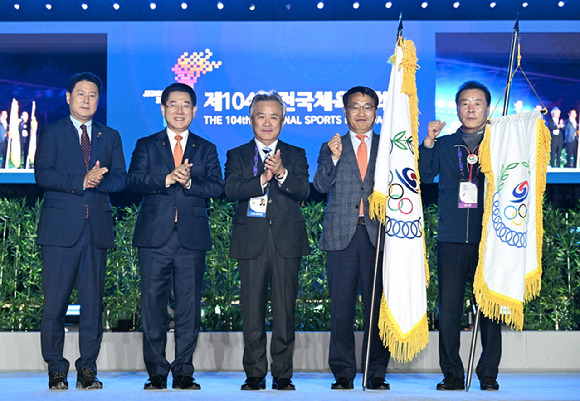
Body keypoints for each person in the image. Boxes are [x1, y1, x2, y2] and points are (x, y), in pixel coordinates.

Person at [127, 83, 224, 390]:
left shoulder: (205, 148)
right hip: (154, 239)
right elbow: (134, 180)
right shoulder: (147, 144)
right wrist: (167, 178)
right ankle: (156, 371)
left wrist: (189, 181)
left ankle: (183, 370)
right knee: (153, 308)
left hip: (191, 240)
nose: (179, 111)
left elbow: (217, 187)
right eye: (173, 105)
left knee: (188, 307)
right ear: (163, 109)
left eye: (186, 105)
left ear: (194, 110)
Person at [35, 72, 127, 390]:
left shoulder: (109, 136)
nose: (87, 100)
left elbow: (120, 179)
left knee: (92, 305)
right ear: (68, 97)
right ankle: (56, 368)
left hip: (96, 231)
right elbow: (43, 174)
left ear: (98, 100)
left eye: (92, 96)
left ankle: (87, 368)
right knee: (55, 306)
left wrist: (99, 181)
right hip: (60, 232)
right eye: (81, 94)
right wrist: (80, 182)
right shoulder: (52, 132)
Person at [418, 81, 501, 391]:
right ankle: (452, 373)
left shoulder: (498, 144)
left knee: (490, 309)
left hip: (489, 238)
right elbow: (424, 175)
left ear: (487, 108)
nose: (470, 108)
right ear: (456, 109)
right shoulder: (445, 144)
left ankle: (489, 373)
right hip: (451, 237)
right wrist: (428, 141)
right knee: (449, 310)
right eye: (465, 102)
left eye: (477, 102)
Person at [224, 91, 310, 391]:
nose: (267, 122)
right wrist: (262, 179)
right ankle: (255, 373)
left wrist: (282, 173)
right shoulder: (237, 154)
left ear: (282, 121)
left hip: (286, 241)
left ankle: (283, 374)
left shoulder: (296, 154)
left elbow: (304, 191)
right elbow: (231, 189)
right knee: (252, 311)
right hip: (252, 241)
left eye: (274, 116)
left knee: (285, 311)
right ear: (251, 119)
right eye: (261, 116)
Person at [313, 86, 390, 391]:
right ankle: (343, 372)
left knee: (377, 309)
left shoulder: (388, 147)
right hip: (341, 236)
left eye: (368, 107)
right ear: (345, 112)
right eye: (355, 107)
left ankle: (375, 373)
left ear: (376, 112)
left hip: (377, 235)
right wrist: (332, 159)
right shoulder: (332, 145)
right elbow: (319, 185)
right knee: (341, 308)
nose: (361, 113)